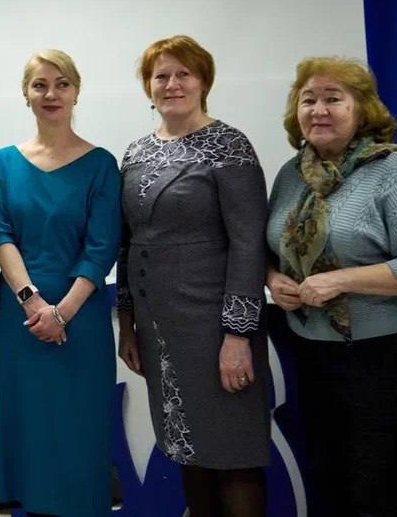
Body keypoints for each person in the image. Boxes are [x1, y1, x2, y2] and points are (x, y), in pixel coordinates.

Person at [265, 57, 397, 516]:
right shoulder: (291, 174)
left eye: (333, 99)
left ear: (362, 109)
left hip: (381, 358)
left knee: (379, 493)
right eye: (308, 99)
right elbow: (273, 248)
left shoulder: (393, 172)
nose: (318, 110)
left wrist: (337, 280)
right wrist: (274, 279)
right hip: (310, 351)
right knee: (328, 488)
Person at [117, 35, 270, 517]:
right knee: (188, 451)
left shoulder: (229, 146)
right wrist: (128, 324)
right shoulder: (136, 152)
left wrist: (238, 335)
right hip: (159, 331)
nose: (172, 84)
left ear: (204, 81)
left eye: (183, 74)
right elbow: (127, 241)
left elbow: (248, 242)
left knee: (233, 452)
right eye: (161, 75)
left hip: (214, 328)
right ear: (148, 86)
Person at [0, 50, 121, 516]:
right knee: (29, 439)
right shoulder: (4, 162)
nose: (51, 94)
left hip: (80, 320)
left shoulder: (101, 164)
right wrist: (32, 301)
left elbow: (101, 249)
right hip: (20, 320)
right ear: (25, 94)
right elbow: (0, 233)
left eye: (62, 84)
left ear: (76, 92)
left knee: (79, 439)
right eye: (40, 85)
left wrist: (61, 312)